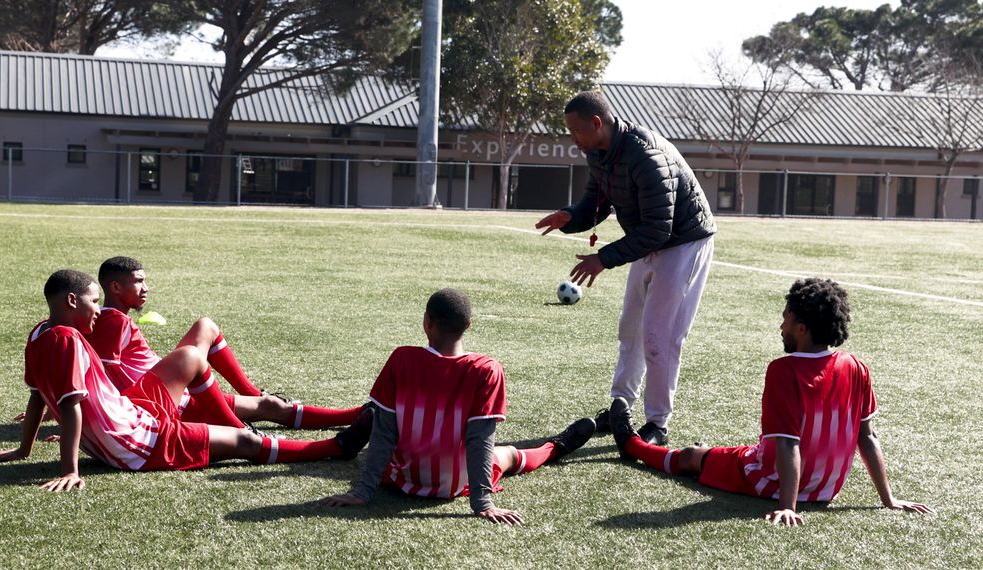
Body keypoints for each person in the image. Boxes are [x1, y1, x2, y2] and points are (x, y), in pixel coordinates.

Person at [0, 270, 371, 491]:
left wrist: (23, 450)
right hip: (136, 440)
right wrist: (71, 469)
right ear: (71, 302)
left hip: (135, 407)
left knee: (193, 358)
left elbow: (37, 397)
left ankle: (247, 415)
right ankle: (336, 448)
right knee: (246, 442)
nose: (97, 308)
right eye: (93, 301)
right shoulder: (72, 337)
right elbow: (68, 405)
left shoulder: (40, 333)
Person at [608, 278, 934, 526]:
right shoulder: (856, 366)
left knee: (692, 458)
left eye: (786, 319)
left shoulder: (784, 371)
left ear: (802, 329)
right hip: (826, 490)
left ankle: (631, 444)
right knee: (741, 450)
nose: (781, 326)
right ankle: (712, 454)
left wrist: (788, 506)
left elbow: (789, 446)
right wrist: (888, 499)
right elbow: (867, 436)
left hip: (772, 481)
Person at [320, 288, 597, 525]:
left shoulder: (401, 359)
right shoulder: (486, 369)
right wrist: (482, 503)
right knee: (508, 454)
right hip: (456, 484)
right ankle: (554, 448)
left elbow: (383, 433)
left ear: (426, 322)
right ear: (469, 324)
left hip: (400, 479)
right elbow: (480, 441)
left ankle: (555, 446)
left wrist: (363, 492)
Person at [535, 90, 717, 445]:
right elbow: (596, 203)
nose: (572, 139)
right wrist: (570, 216)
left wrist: (603, 258)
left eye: (575, 131)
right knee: (630, 328)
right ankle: (621, 406)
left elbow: (658, 227)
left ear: (597, 123)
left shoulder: (647, 156)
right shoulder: (598, 153)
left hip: (683, 242)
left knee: (659, 336)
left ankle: (657, 423)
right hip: (651, 239)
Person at [87, 256, 364, 430]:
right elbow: (103, 379)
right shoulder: (114, 322)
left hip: (168, 388)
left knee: (204, 326)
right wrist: (97, 417)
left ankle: (250, 391)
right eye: (138, 282)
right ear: (115, 288)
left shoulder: (112, 319)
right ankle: (354, 418)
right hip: (167, 402)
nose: (146, 288)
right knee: (272, 409)